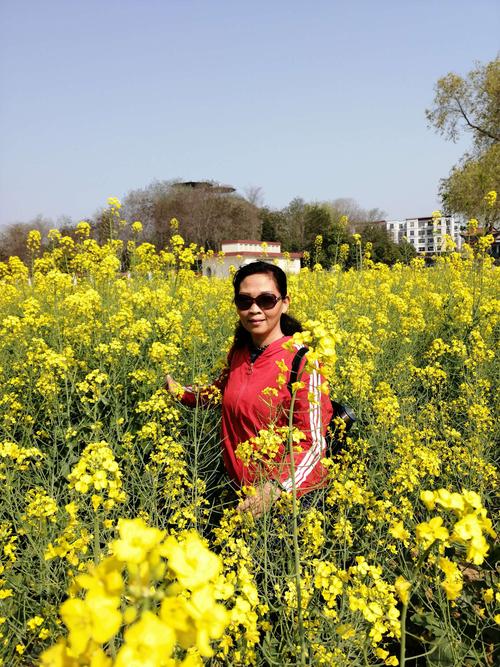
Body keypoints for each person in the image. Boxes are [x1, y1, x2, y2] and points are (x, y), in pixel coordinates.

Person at [166, 261, 333, 519]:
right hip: (243, 496)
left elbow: (312, 443)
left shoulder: (303, 361)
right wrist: (180, 392)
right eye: (244, 301)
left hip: (288, 503)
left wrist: (274, 488)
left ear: (284, 303)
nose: (254, 309)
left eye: (266, 300)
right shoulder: (239, 352)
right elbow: (218, 394)